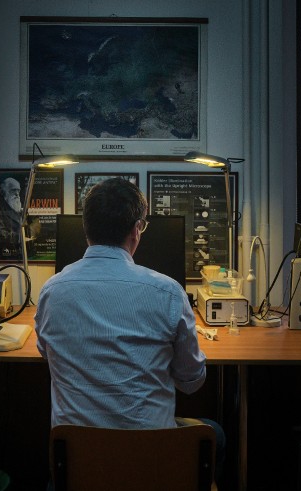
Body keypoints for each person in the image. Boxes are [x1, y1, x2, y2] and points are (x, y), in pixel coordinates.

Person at [34, 178, 225, 478]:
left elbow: (48, 355)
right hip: (151, 463)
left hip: (78, 465)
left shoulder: (51, 291)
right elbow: (191, 381)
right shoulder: (168, 293)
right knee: (215, 433)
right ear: (137, 230)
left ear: (86, 228)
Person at [0, 177, 23, 259]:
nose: (17, 194)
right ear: (4, 192)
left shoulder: (19, 209)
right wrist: (20, 237)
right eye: (13, 190)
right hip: (7, 254)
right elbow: (1, 234)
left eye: (18, 190)